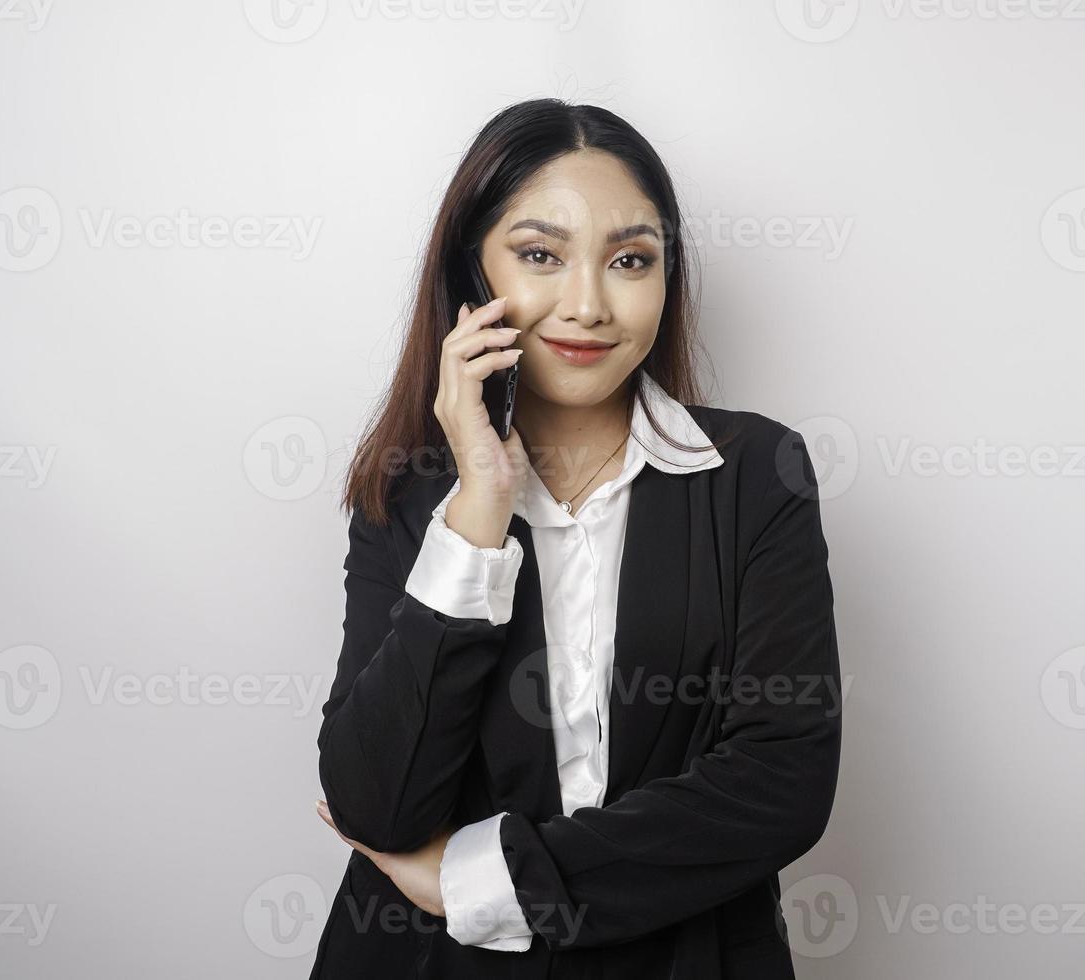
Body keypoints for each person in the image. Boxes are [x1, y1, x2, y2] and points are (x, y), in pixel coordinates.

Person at [310, 98, 842, 979]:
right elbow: (380, 803)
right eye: (539, 255)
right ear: (472, 274)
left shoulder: (756, 472)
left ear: (666, 278)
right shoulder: (409, 496)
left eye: (629, 259)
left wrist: (478, 882)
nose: (589, 304)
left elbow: (781, 781)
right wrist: (479, 502)